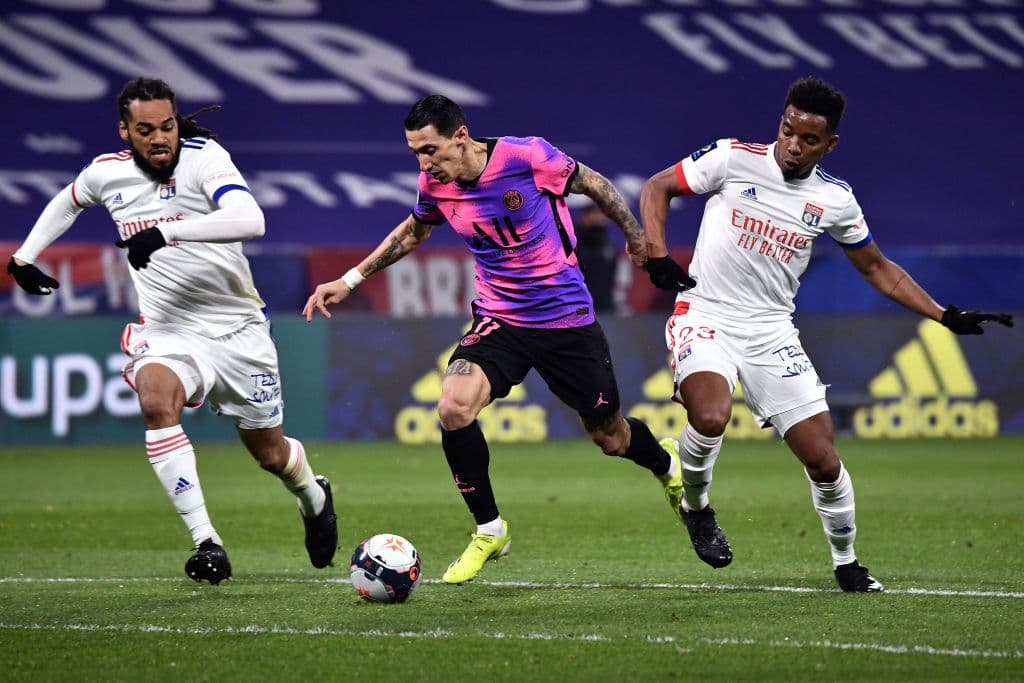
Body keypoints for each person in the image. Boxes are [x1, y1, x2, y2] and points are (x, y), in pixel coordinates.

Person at [639, 76, 1013, 592]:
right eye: (788, 130)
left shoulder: (835, 200)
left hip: (772, 331)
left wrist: (943, 314)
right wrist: (657, 253)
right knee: (710, 414)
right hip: (706, 313)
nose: (793, 145)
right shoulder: (732, 158)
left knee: (823, 457)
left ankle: (847, 562)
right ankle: (696, 507)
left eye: (808, 139)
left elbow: (878, 269)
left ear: (829, 144)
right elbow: (657, 186)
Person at [304, 94, 684, 584]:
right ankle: (490, 528)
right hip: (500, 319)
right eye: (415, 152)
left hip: (565, 319)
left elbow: (597, 185)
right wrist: (351, 279)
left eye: (431, 150)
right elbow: (414, 232)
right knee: (453, 406)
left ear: (461, 136)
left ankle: (665, 462)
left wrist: (638, 241)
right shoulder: (433, 183)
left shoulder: (527, 157)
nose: (423, 163)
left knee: (610, 436)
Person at [6, 77, 338, 585]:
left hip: (239, 332)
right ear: (125, 131)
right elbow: (69, 201)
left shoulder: (205, 158)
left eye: (167, 126)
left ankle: (314, 499)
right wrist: (25, 256)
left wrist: (167, 231)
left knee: (271, 454)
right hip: (169, 330)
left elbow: (251, 219)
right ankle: (207, 541)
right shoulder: (106, 174)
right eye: (146, 130)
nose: (161, 138)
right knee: (156, 400)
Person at [574, 203, 618, 313]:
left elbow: (612, 273)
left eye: (601, 214)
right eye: (594, 214)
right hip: (580, 303)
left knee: (608, 328)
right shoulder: (573, 243)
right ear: (585, 217)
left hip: (605, 303)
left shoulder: (608, 245)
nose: (598, 217)